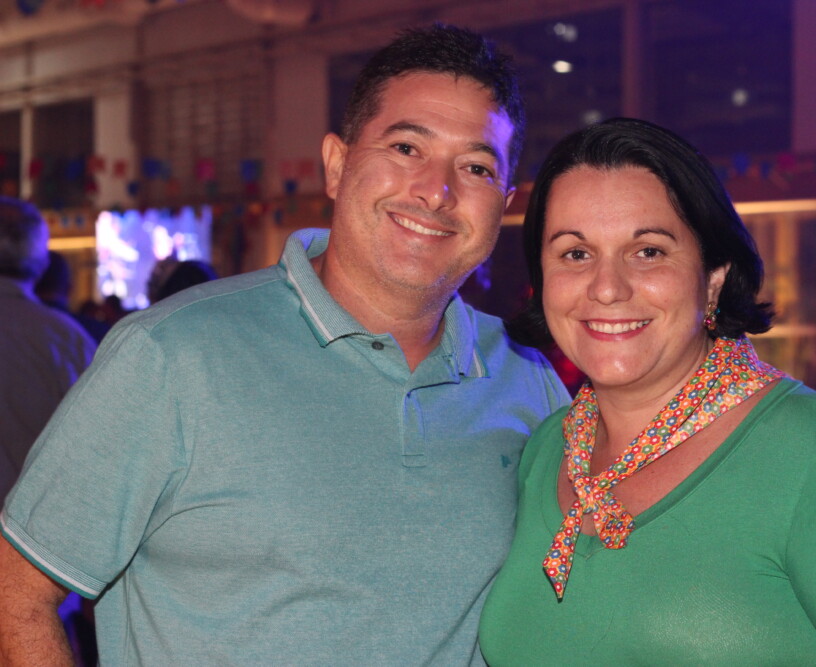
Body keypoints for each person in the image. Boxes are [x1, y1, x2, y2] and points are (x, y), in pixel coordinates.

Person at [0, 25, 568, 666]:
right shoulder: (173, 355)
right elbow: (16, 592)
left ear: (504, 203)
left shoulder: (527, 380)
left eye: (476, 168)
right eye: (406, 147)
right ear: (336, 165)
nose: (436, 190)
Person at [477, 119, 816, 664]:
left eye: (648, 251)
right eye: (575, 253)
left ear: (713, 277)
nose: (607, 287)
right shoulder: (543, 454)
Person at [0, 199, 96, 500]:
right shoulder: (64, 338)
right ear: (41, 259)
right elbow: (97, 438)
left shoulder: (64, 337)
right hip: (27, 517)